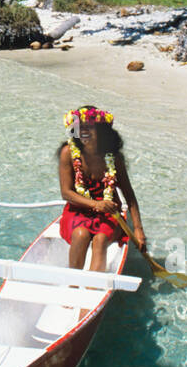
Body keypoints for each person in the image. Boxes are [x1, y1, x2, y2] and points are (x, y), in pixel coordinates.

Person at [57, 105, 146, 272]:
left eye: (89, 127)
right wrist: (96, 204)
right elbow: (66, 193)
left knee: (101, 239)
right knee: (80, 234)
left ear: (101, 131)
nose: (83, 131)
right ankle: (73, 283)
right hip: (78, 210)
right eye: (79, 127)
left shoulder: (114, 158)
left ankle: (93, 285)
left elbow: (129, 196)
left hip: (109, 212)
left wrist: (139, 230)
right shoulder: (68, 153)